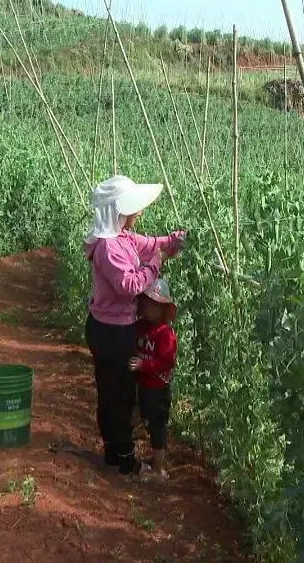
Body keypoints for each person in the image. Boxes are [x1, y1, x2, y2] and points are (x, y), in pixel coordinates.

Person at [84, 175, 185, 475]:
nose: (139, 213)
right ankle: (124, 458)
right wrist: (156, 264)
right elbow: (129, 284)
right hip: (110, 333)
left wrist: (172, 242)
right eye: (133, 208)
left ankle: (114, 454)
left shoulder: (124, 237)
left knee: (115, 391)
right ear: (118, 212)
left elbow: (149, 244)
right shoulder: (107, 247)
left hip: (117, 328)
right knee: (118, 394)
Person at [130, 277, 179, 479]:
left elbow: (167, 362)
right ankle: (133, 457)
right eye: (146, 302)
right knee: (137, 418)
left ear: (163, 309)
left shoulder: (165, 334)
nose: (147, 307)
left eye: (153, 304)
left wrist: (144, 365)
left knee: (157, 426)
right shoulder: (142, 326)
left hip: (158, 389)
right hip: (143, 386)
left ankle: (159, 469)